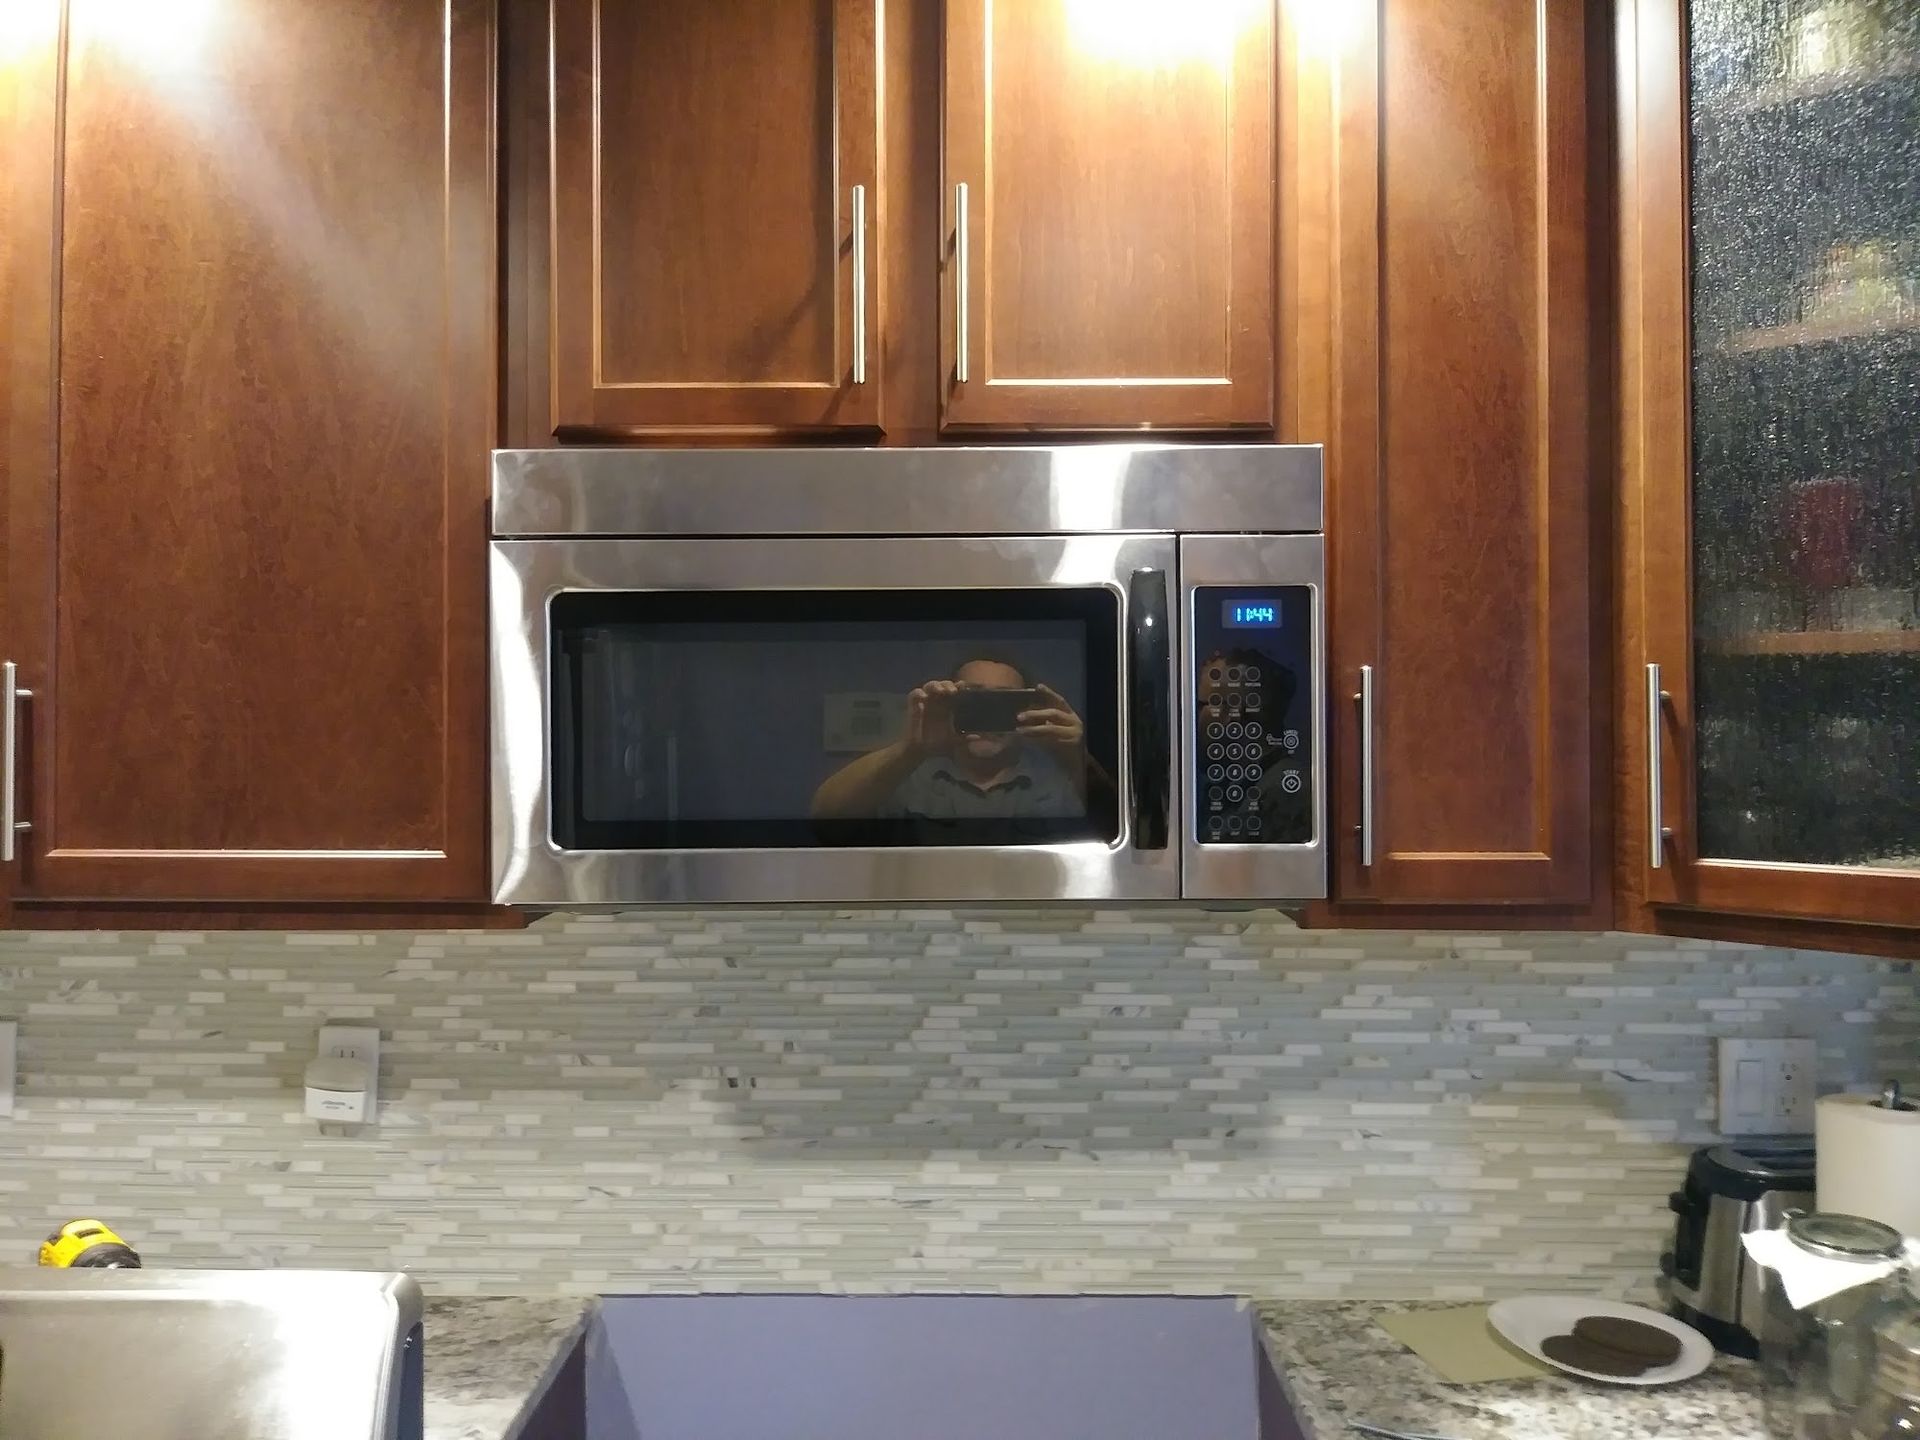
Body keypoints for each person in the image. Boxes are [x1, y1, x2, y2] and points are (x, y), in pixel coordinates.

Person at [810, 657, 1097, 828]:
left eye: (1002, 701)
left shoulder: (1061, 782)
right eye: (974, 699)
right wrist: (911, 749)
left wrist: (1076, 757)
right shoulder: (907, 778)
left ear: (1026, 708)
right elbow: (826, 821)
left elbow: (1112, 834)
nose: (987, 714)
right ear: (951, 705)